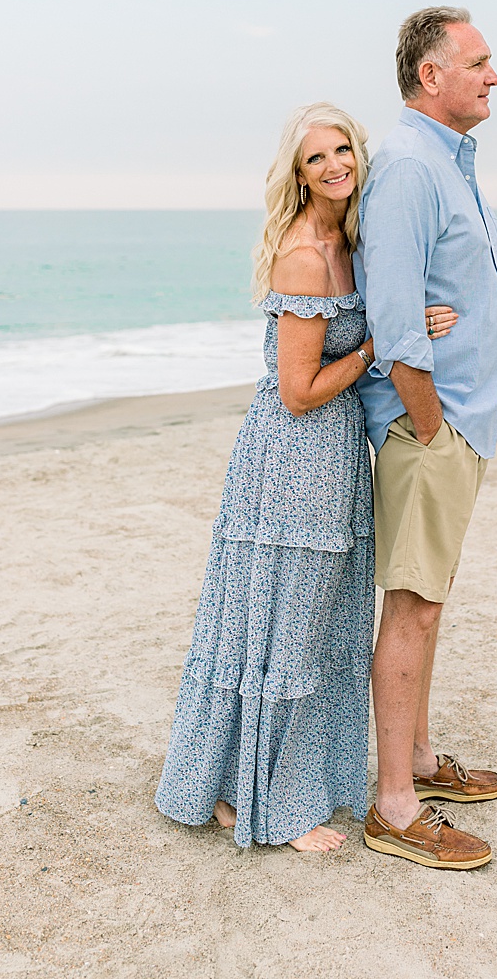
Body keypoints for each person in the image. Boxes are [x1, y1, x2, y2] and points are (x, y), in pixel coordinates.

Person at [155, 102, 457, 851]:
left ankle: (248, 784)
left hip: (334, 455)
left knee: (306, 629)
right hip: (293, 459)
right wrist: (381, 346)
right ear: (298, 173)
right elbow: (296, 392)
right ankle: (262, 805)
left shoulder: (349, 244)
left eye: (345, 151)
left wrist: (409, 321)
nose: (336, 166)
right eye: (317, 158)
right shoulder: (305, 255)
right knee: (284, 632)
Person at [356, 5, 497, 871]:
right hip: (433, 427)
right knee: (412, 606)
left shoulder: (447, 160)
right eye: (480, 62)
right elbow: (393, 313)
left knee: (431, 597)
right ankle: (393, 806)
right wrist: (429, 423)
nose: (494, 77)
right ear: (431, 74)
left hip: (461, 418)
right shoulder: (411, 168)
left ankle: (417, 760)